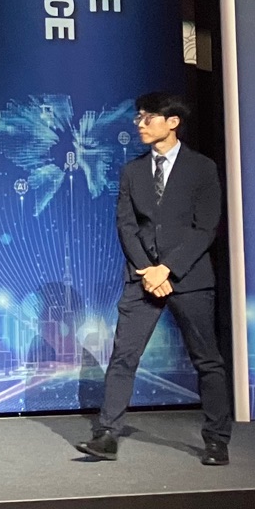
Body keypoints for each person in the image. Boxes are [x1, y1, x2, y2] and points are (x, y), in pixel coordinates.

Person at [77, 92, 234, 466]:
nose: (140, 124)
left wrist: (168, 269)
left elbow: (206, 226)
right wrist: (148, 269)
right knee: (123, 356)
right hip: (142, 277)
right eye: (139, 117)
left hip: (189, 277)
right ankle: (107, 434)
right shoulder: (132, 171)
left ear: (173, 122)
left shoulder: (202, 168)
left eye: (148, 117)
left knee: (207, 360)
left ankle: (216, 440)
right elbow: (126, 225)